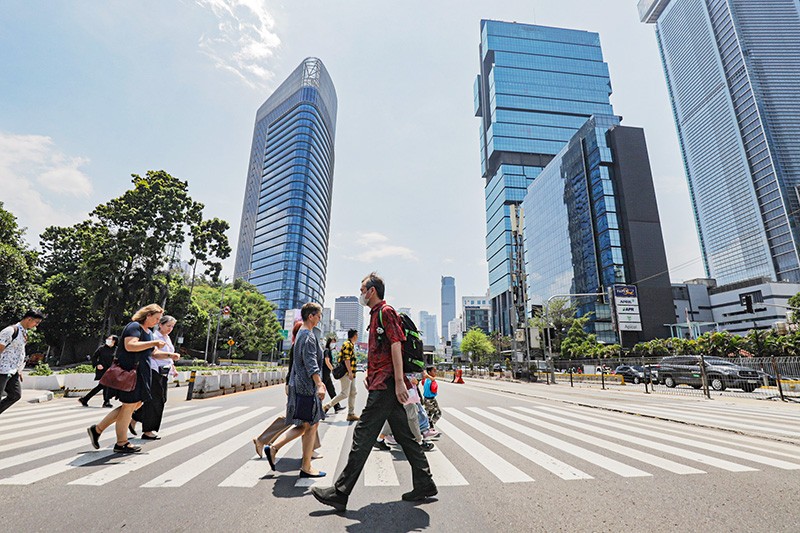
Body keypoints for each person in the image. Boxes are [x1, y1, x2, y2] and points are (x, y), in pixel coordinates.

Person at [312, 273, 436, 511]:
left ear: (372, 291)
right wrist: (370, 373)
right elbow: (380, 350)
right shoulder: (375, 314)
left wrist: (398, 382)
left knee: (362, 434)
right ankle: (425, 482)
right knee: (405, 436)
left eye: (362, 290)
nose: (361, 294)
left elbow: (396, 345)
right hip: (381, 381)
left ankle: (340, 492)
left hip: (387, 384)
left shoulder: (386, 312)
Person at [86, 304, 165, 454]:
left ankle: (97, 430)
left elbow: (151, 353)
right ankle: (121, 442)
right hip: (132, 373)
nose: (157, 322)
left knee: (132, 406)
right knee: (128, 407)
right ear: (148, 315)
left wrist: (170, 356)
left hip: (142, 374)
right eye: (156, 318)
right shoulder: (134, 327)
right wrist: (154, 343)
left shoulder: (148, 332)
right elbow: (130, 346)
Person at [264, 302, 327, 478]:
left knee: (306, 425)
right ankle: (305, 466)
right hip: (306, 387)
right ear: (311, 316)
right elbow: (311, 362)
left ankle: (276, 449)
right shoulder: (308, 336)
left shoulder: (301, 334)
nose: (319, 319)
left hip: (299, 385)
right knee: (311, 425)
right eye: (318, 315)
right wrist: (319, 384)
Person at [130, 315, 179, 440]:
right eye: (168, 326)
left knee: (161, 399)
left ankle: (135, 417)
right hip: (154, 371)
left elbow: (168, 357)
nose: (170, 329)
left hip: (164, 372)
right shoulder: (154, 337)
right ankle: (148, 430)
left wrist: (173, 367)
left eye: (172, 326)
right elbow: (155, 354)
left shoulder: (167, 338)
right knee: (155, 401)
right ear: (160, 325)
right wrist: (171, 355)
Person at [0, 310, 45, 416]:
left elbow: (20, 352)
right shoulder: (11, 330)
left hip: (13, 370)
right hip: (2, 370)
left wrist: (19, 369)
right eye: (36, 322)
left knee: (15, 395)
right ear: (29, 319)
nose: (36, 325)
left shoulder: (24, 333)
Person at [324, 329, 360, 422]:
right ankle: (327, 406)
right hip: (346, 373)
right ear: (354, 336)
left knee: (353, 392)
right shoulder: (347, 344)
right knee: (344, 394)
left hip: (351, 373)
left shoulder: (351, 345)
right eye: (357, 335)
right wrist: (350, 372)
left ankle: (351, 414)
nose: (357, 337)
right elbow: (347, 359)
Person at [79, 335, 118, 408]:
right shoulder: (101, 348)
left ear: (114, 341)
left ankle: (85, 399)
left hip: (111, 371)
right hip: (102, 370)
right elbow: (94, 357)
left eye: (110, 339)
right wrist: (97, 364)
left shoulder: (116, 350)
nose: (108, 340)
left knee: (103, 386)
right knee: (105, 385)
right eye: (108, 338)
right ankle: (106, 401)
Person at [321, 337, 343, 413]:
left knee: (331, 390)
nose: (334, 344)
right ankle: (318, 408)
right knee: (321, 391)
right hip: (325, 373)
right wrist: (333, 370)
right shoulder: (327, 350)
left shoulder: (329, 350)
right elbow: (327, 361)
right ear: (329, 342)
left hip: (327, 374)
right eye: (333, 342)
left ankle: (337, 407)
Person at [422, 366, 441, 436]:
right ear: (429, 372)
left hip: (427, 399)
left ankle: (429, 427)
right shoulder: (430, 380)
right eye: (434, 371)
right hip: (430, 400)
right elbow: (433, 389)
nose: (436, 372)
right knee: (438, 413)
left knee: (429, 414)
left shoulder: (426, 380)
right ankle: (430, 426)